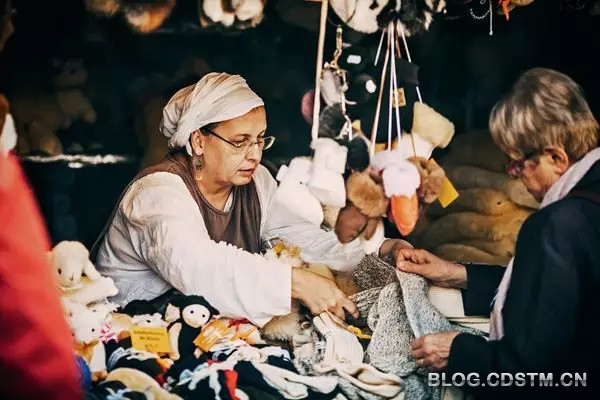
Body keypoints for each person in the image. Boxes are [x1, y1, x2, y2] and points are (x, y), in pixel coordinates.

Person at [93, 72, 410, 327]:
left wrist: (379, 249)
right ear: (198, 140)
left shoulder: (256, 182)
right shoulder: (157, 193)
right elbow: (198, 267)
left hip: (200, 330)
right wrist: (296, 283)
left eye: (260, 140)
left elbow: (300, 237)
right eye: (240, 142)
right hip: (128, 332)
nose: (255, 155)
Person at [396, 68, 600, 397]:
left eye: (517, 164)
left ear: (555, 157)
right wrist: (457, 274)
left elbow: (525, 374)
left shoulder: (556, 225)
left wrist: (458, 351)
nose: (514, 175)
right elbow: (561, 295)